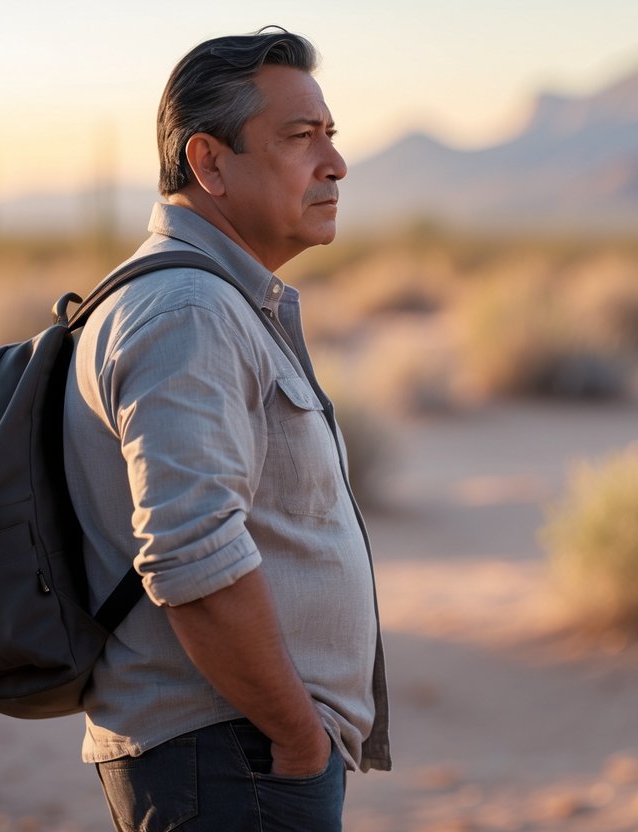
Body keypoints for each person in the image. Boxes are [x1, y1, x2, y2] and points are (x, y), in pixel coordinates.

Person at [63, 27, 390, 831]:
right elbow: (191, 552)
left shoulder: (208, 302)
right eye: (299, 137)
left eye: (331, 136)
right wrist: (297, 738)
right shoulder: (187, 313)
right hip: (232, 759)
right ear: (209, 163)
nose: (335, 163)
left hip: (236, 754)